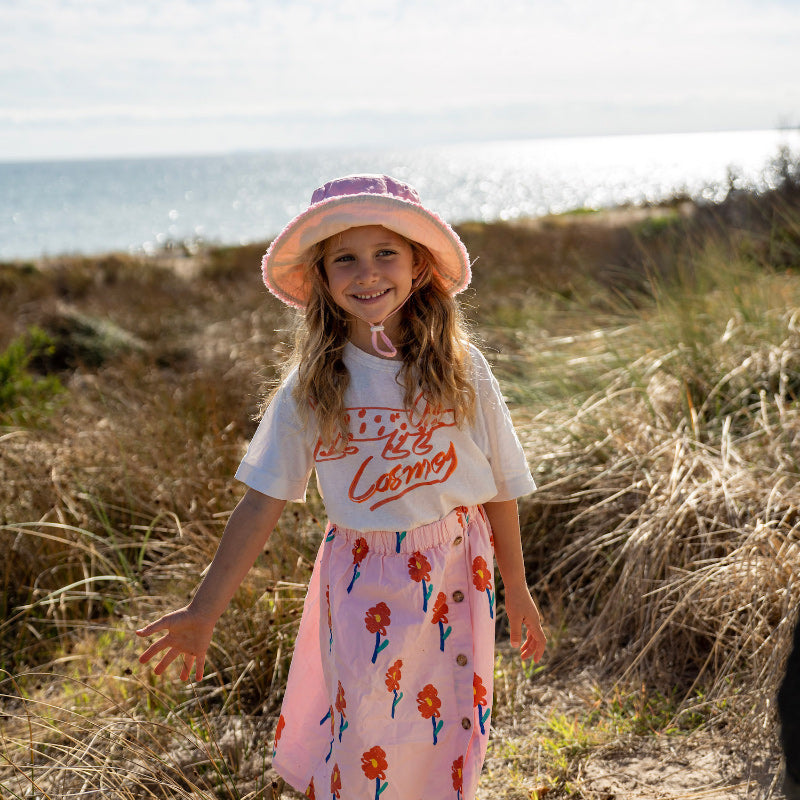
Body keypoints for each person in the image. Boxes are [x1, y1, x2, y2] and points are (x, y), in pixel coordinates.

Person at [137, 174, 546, 800]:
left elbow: (500, 488)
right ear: (324, 278)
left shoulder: (461, 367)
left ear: (417, 265)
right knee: (365, 730)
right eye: (345, 258)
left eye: (386, 253)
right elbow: (263, 499)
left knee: (450, 721)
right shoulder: (315, 383)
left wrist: (517, 588)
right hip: (363, 575)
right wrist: (204, 610)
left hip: (460, 566)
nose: (368, 272)